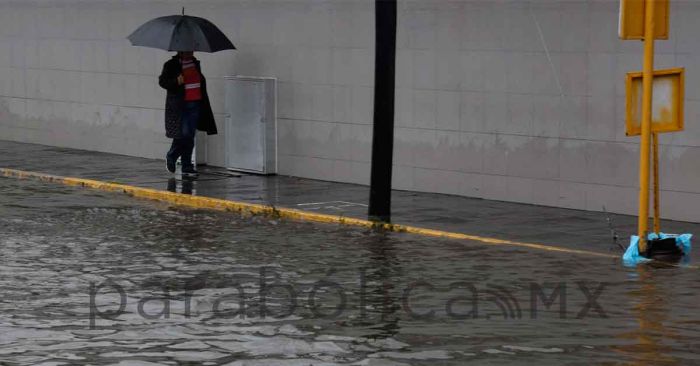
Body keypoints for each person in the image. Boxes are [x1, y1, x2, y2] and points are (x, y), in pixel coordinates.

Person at [158, 51, 217, 176]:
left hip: (195, 103)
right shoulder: (171, 64)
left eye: (191, 50)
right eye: (187, 50)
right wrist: (176, 81)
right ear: (180, 51)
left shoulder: (195, 63)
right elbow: (162, 82)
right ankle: (172, 155)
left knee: (190, 135)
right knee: (184, 134)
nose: (190, 52)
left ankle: (187, 166)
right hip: (181, 105)